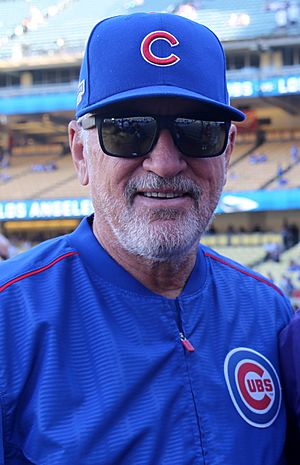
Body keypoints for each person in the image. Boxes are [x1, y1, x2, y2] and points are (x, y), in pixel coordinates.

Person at [0, 12, 293, 465]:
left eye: (198, 132)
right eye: (127, 131)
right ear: (81, 152)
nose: (164, 163)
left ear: (229, 150)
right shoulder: (10, 317)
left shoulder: (268, 312)